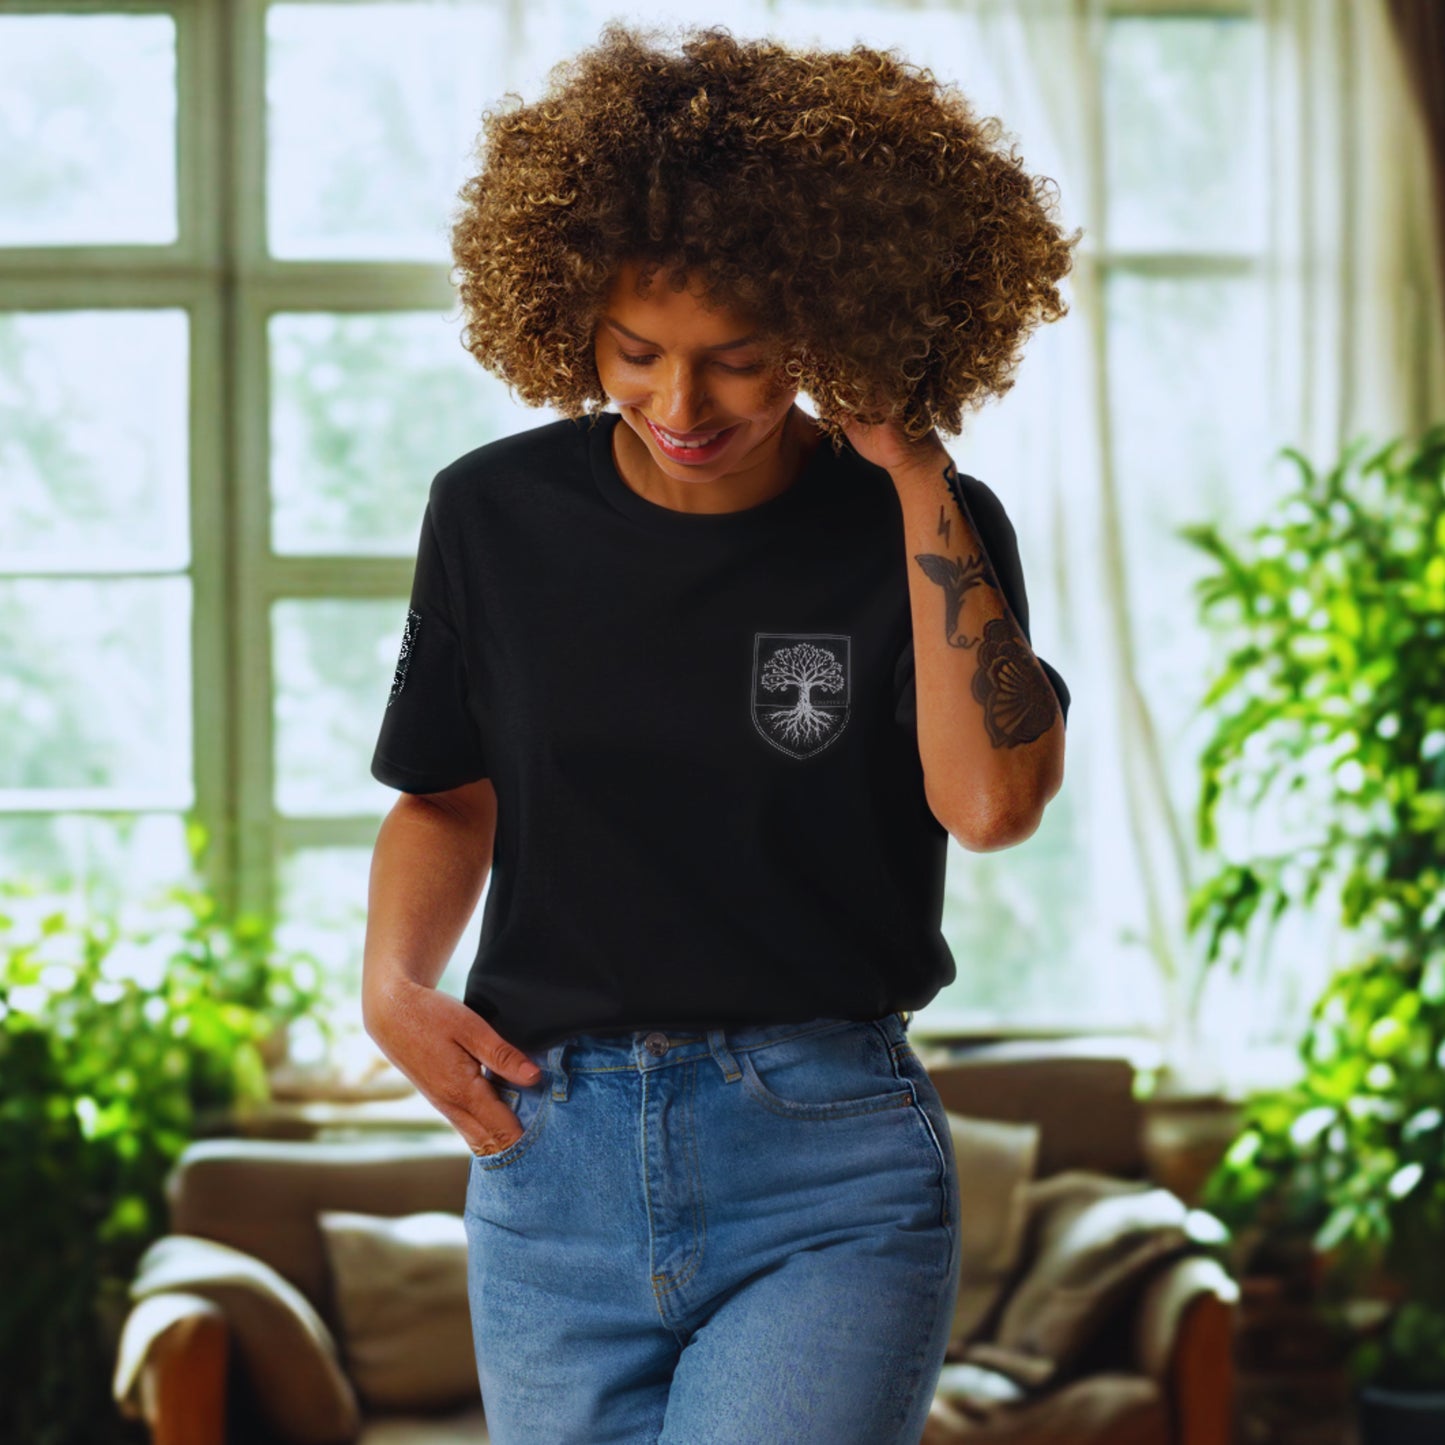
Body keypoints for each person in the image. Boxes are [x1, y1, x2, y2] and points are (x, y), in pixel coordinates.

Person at [362, 20, 1077, 1445]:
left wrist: (915, 465)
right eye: (636, 353)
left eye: (741, 361)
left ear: (824, 326)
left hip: (824, 1164)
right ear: (569, 314)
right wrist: (393, 986)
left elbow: (990, 805)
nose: (681, 406)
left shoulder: (925, 527)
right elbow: (449, 792)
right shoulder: (493, 516)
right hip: (549, 1161)